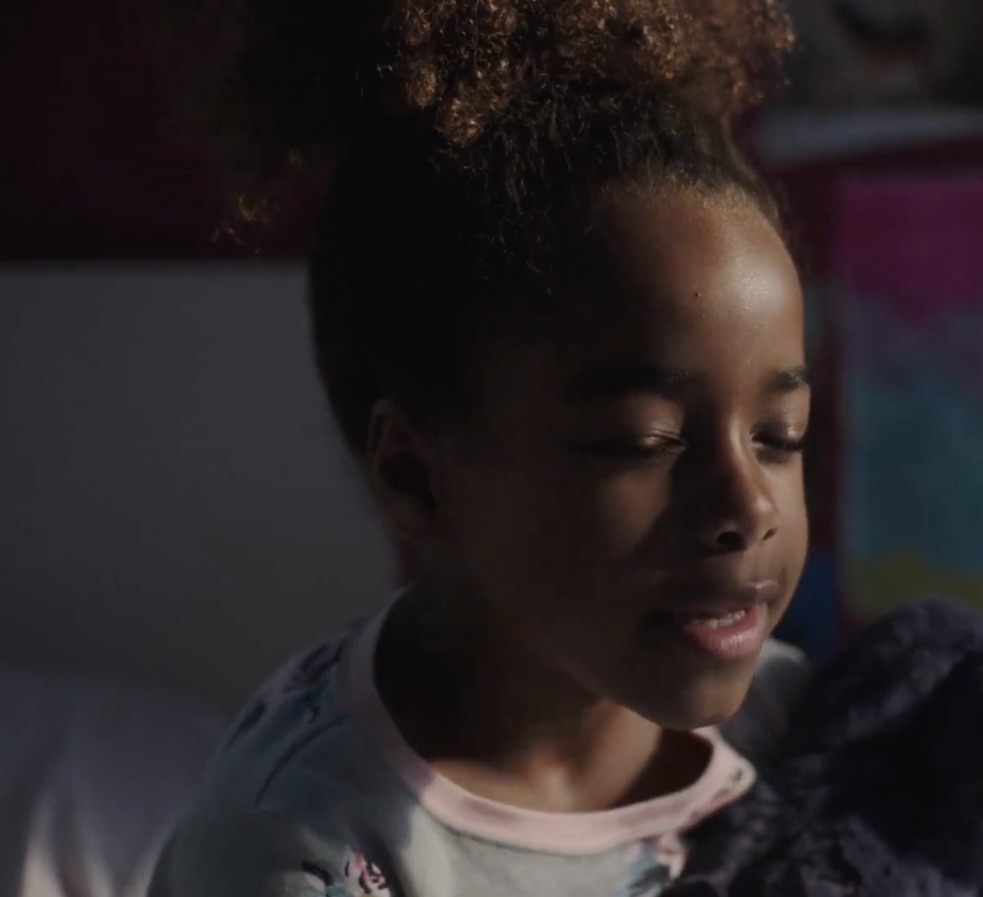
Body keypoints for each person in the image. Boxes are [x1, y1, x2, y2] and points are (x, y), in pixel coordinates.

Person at [149, 1, 813, 894]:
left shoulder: (805, 724)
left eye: (780, 435)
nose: (749, 506)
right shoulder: (300, 849)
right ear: (417, 477)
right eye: (642, 441)